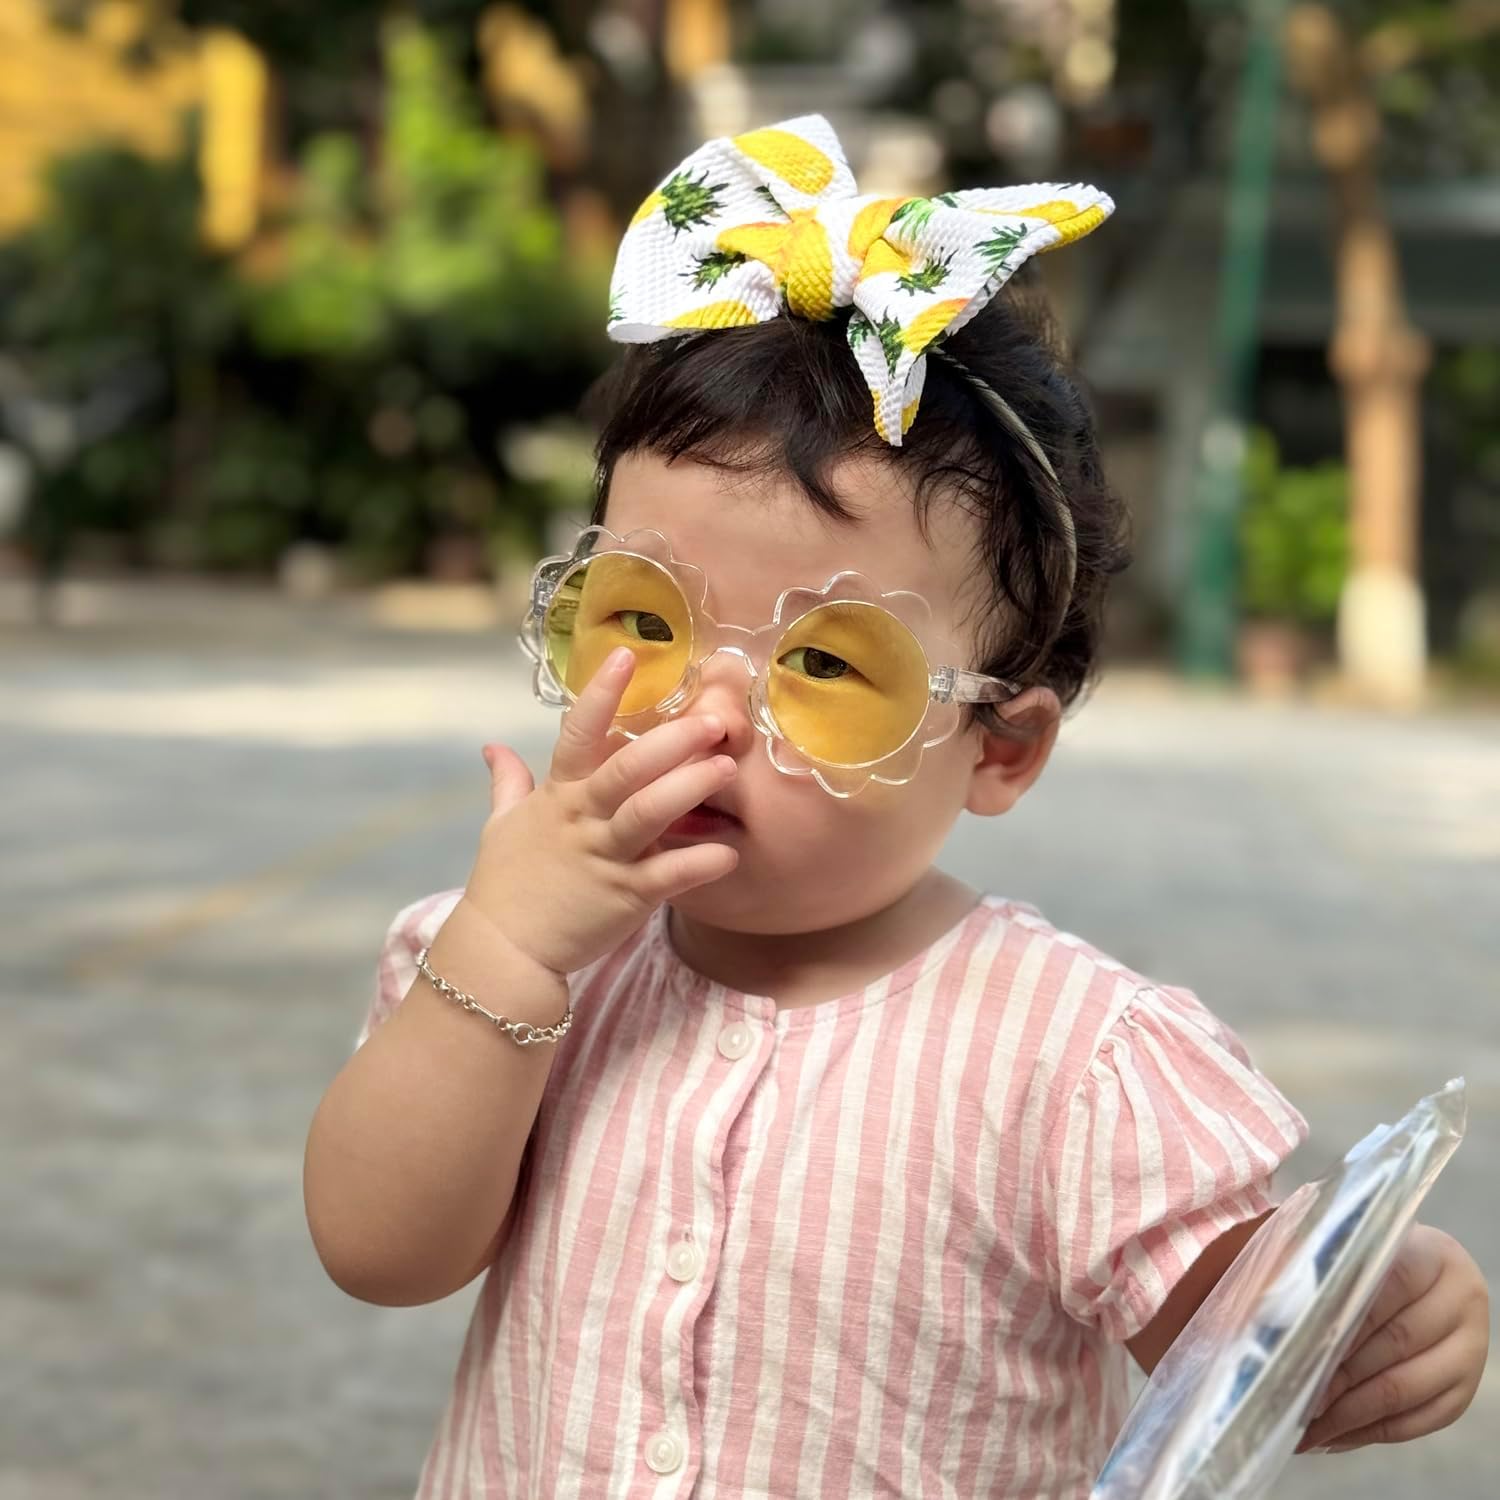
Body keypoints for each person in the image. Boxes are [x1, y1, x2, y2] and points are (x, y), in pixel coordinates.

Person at [303, 115, 1489, 1497]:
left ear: (1000, 748)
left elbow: (1237, 1340)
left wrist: (1368, 1303)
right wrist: (506, 951)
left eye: (821, 663)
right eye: (646, 622)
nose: (705, 717)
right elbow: (379, 1249)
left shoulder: (1067, 1058)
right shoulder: (513, 971)